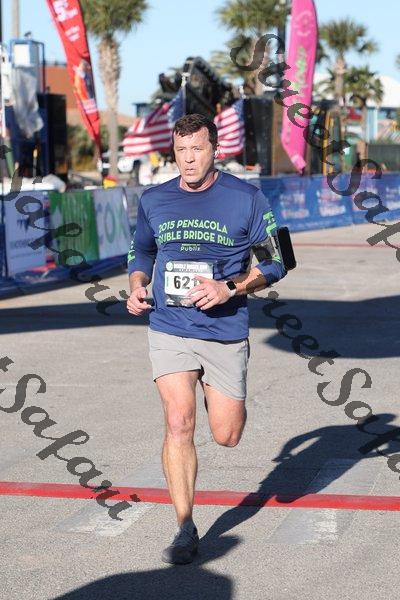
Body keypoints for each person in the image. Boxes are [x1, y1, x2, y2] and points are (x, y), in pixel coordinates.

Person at [126, 113, 286, 565]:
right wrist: (137, 284)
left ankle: (226, 401)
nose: (189, 159)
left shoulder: (246, 198)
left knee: (226, 434)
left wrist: (229, 288)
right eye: (181, 151)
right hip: (170, 326)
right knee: (178, 422)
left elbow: (278, 260)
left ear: (215, 149)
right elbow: (143, 251)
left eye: (197, 149)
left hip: (224, 330)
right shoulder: (155, 199)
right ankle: (184, 527)